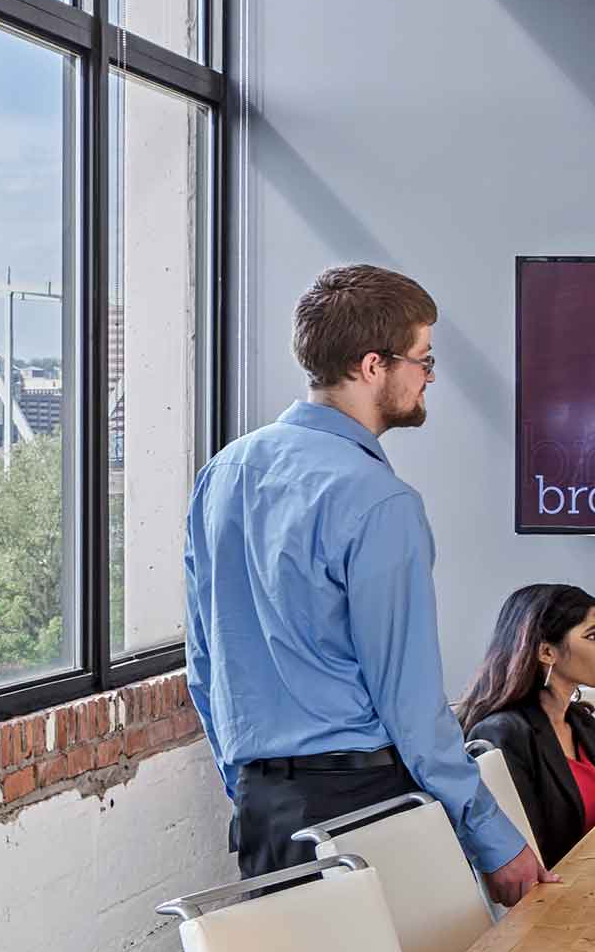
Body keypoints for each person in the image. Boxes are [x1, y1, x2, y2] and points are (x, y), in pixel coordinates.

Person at [184, 264, 545, 906]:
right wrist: (495, 838)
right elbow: (410, 704)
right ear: (372, 365)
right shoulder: (380, 502)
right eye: (423, 360)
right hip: (366, 809)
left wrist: (249, 786)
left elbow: (205, 664)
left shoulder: (223, 473)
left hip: (267, 812)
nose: (429, 376)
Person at [461, 583, 595, 869]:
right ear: (547, 652)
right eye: (593, 635)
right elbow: (528, 853)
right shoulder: (502, 735)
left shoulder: (582, 723)